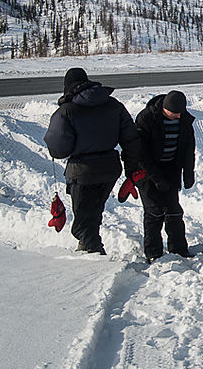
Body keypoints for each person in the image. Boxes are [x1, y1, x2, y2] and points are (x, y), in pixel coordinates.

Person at [44, 67, 142, 254]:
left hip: (82, 171)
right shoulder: (113, 105)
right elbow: (131, 139)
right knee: (93, 213)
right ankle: (86, 248)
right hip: (110, 169)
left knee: (82, 222)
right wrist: (131, 170)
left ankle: (95, 255)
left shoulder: (67, 111)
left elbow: (58, 149)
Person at [133, 90, 196, 262]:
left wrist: (188, 173)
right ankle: (153, 253)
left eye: (179, 113)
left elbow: (188, 148)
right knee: (154, 211)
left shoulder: (183, 120)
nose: (177, 116)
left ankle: (179, 249)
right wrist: (156, 178)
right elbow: (140, 154)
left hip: (171, 169)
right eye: (173, 113)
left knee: (174, 211)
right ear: (164, 108)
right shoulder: (146, 119)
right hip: (147, 171)